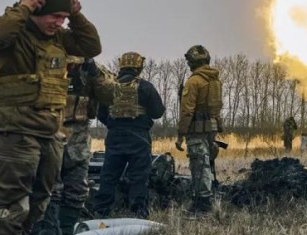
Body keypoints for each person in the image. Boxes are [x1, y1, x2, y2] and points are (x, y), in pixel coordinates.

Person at [0, 0, 101, 235]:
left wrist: (77, 15)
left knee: (38, 204)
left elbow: (91, 46)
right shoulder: (14, 34)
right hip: (16, 134)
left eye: (63, 17)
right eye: (54, 16)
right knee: (12, 208)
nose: (59, 22)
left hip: (51, 135)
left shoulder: (58, 38)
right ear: (36, 11)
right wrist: (22, 7)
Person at [33, 57, 114, 235]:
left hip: (78, 141)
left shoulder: (90, 69)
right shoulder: (45, 60)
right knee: (51, 192)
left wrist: (93, 71)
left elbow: (111, 95)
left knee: (76, 192)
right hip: (49, 135)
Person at [93, 52, 165, 219]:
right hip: (139, 137)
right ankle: (138, 213)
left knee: (109, 175)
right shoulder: (145, 87)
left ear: (121, 66)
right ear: (139, 67)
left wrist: (114, 124)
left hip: (115, 137)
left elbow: (100, 113)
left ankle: (101, 211)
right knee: (139, 176)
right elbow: (157, 112)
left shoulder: (110, 87)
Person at [175, 45, 222, 214]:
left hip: (196, 130)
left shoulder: (194, 81)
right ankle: (207, 198)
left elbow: (187, 111)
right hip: (211, 129)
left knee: (199, 165)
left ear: (192, 62)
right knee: (206, 164)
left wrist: (181, 135)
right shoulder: (215, 81)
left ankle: (202, 205)